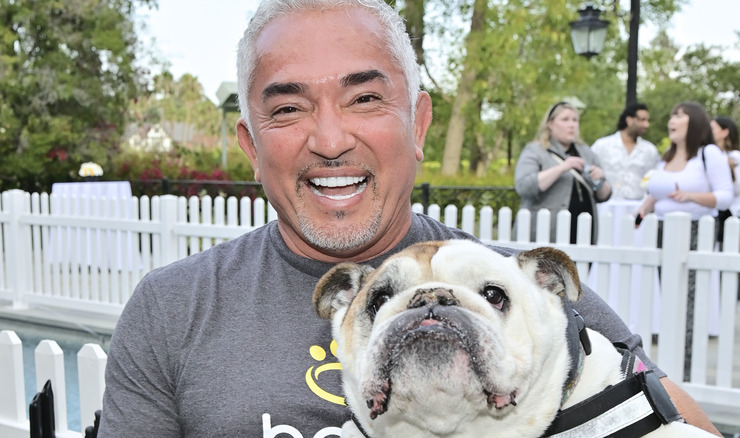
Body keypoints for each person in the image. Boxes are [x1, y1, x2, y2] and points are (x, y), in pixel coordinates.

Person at [98, 1, 720, 436]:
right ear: (250, 145)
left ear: (418, 124)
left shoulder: (518, 296)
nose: (330, 137)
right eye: (288, 108)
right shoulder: (172, 309)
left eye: (365, 98)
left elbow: (678, 426)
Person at [636, 101, 733, 383]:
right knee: (669, 302)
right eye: (671, 114)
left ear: (695, 121)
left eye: (679, 115)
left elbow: (724, 196)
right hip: (662, 232)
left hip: (694, 232)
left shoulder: (708, 154)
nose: (672, 119)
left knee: (689, 305)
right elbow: (655, 193)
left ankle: (686, 372)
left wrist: (689, 196)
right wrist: (645, 208)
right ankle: (667, 369)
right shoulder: (665, 158)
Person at [514, 101, 613, 244]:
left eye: (575, 120)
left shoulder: (586, 152)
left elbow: (605, 195)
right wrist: (562, 167)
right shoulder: (535, 151)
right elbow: (524, 187)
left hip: (583, 233)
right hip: (546, 234)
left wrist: (600, 179)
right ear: (550, 124)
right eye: (565, 119)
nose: (572, 125)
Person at [591, 102, 660, 200]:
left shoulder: (650, 150)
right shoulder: (602, 146)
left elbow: (655, 179)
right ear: (629, 120)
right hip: (606, 208)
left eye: (647, 120)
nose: (646, 125)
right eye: (642, 120)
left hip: (638, 209)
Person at [711, 116, 740, 217]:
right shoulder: (709, 155)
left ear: (725, 132)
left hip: (731, 213)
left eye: (713, 128)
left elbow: (736, 188)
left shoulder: (735, 157)